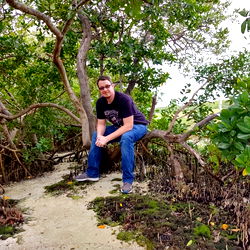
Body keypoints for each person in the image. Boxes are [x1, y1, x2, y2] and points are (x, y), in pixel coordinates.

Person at [74, 75, 148, 194]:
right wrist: (99, 137)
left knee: (126, 137)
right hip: (120, 127)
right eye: (101, 88)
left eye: (107, 86)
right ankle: (92, 173)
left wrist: (106, 138)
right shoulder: (100, 103)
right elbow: (101, 124)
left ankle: (128, 181)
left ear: (112, 85)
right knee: (95, 135)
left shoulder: (124, 99)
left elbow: (128, 126)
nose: (105, 90)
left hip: (138, 126)